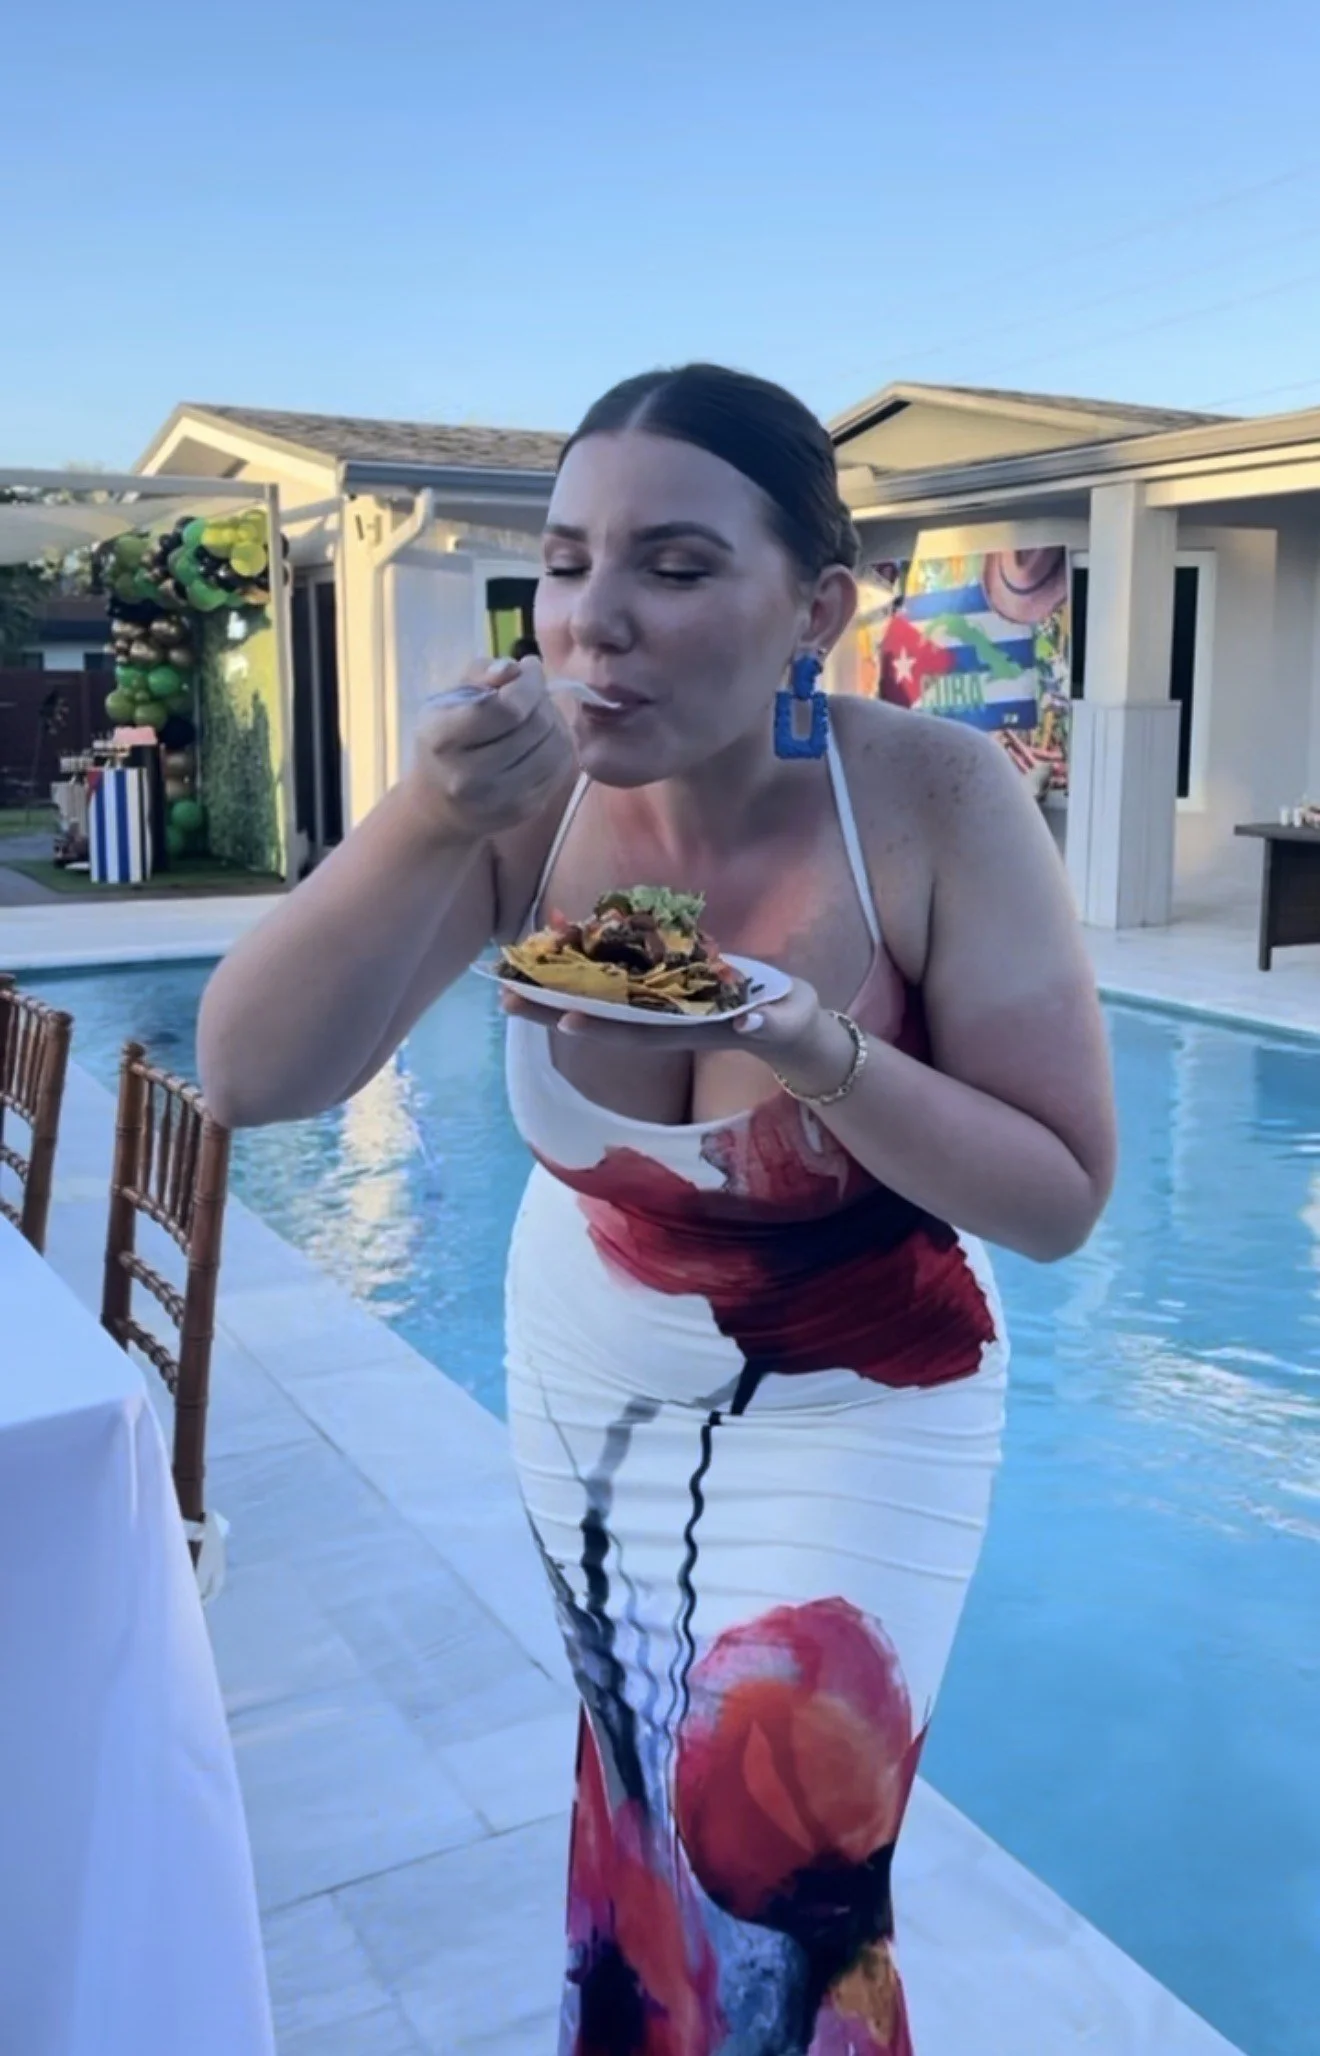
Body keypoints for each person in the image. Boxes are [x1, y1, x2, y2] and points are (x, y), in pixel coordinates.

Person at [199, 363, 1116, 2056]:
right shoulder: (520, 805)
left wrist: (819, 1046)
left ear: (813, 609)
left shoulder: (930, 800)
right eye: (564, 563)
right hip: (591, 1376)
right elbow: (252, 1075)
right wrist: (426, 816)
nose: (594, 622)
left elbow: (1058, 1202)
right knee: (636, 1806)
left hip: (867, 1393)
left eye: (676, 569)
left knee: (785, 1860)